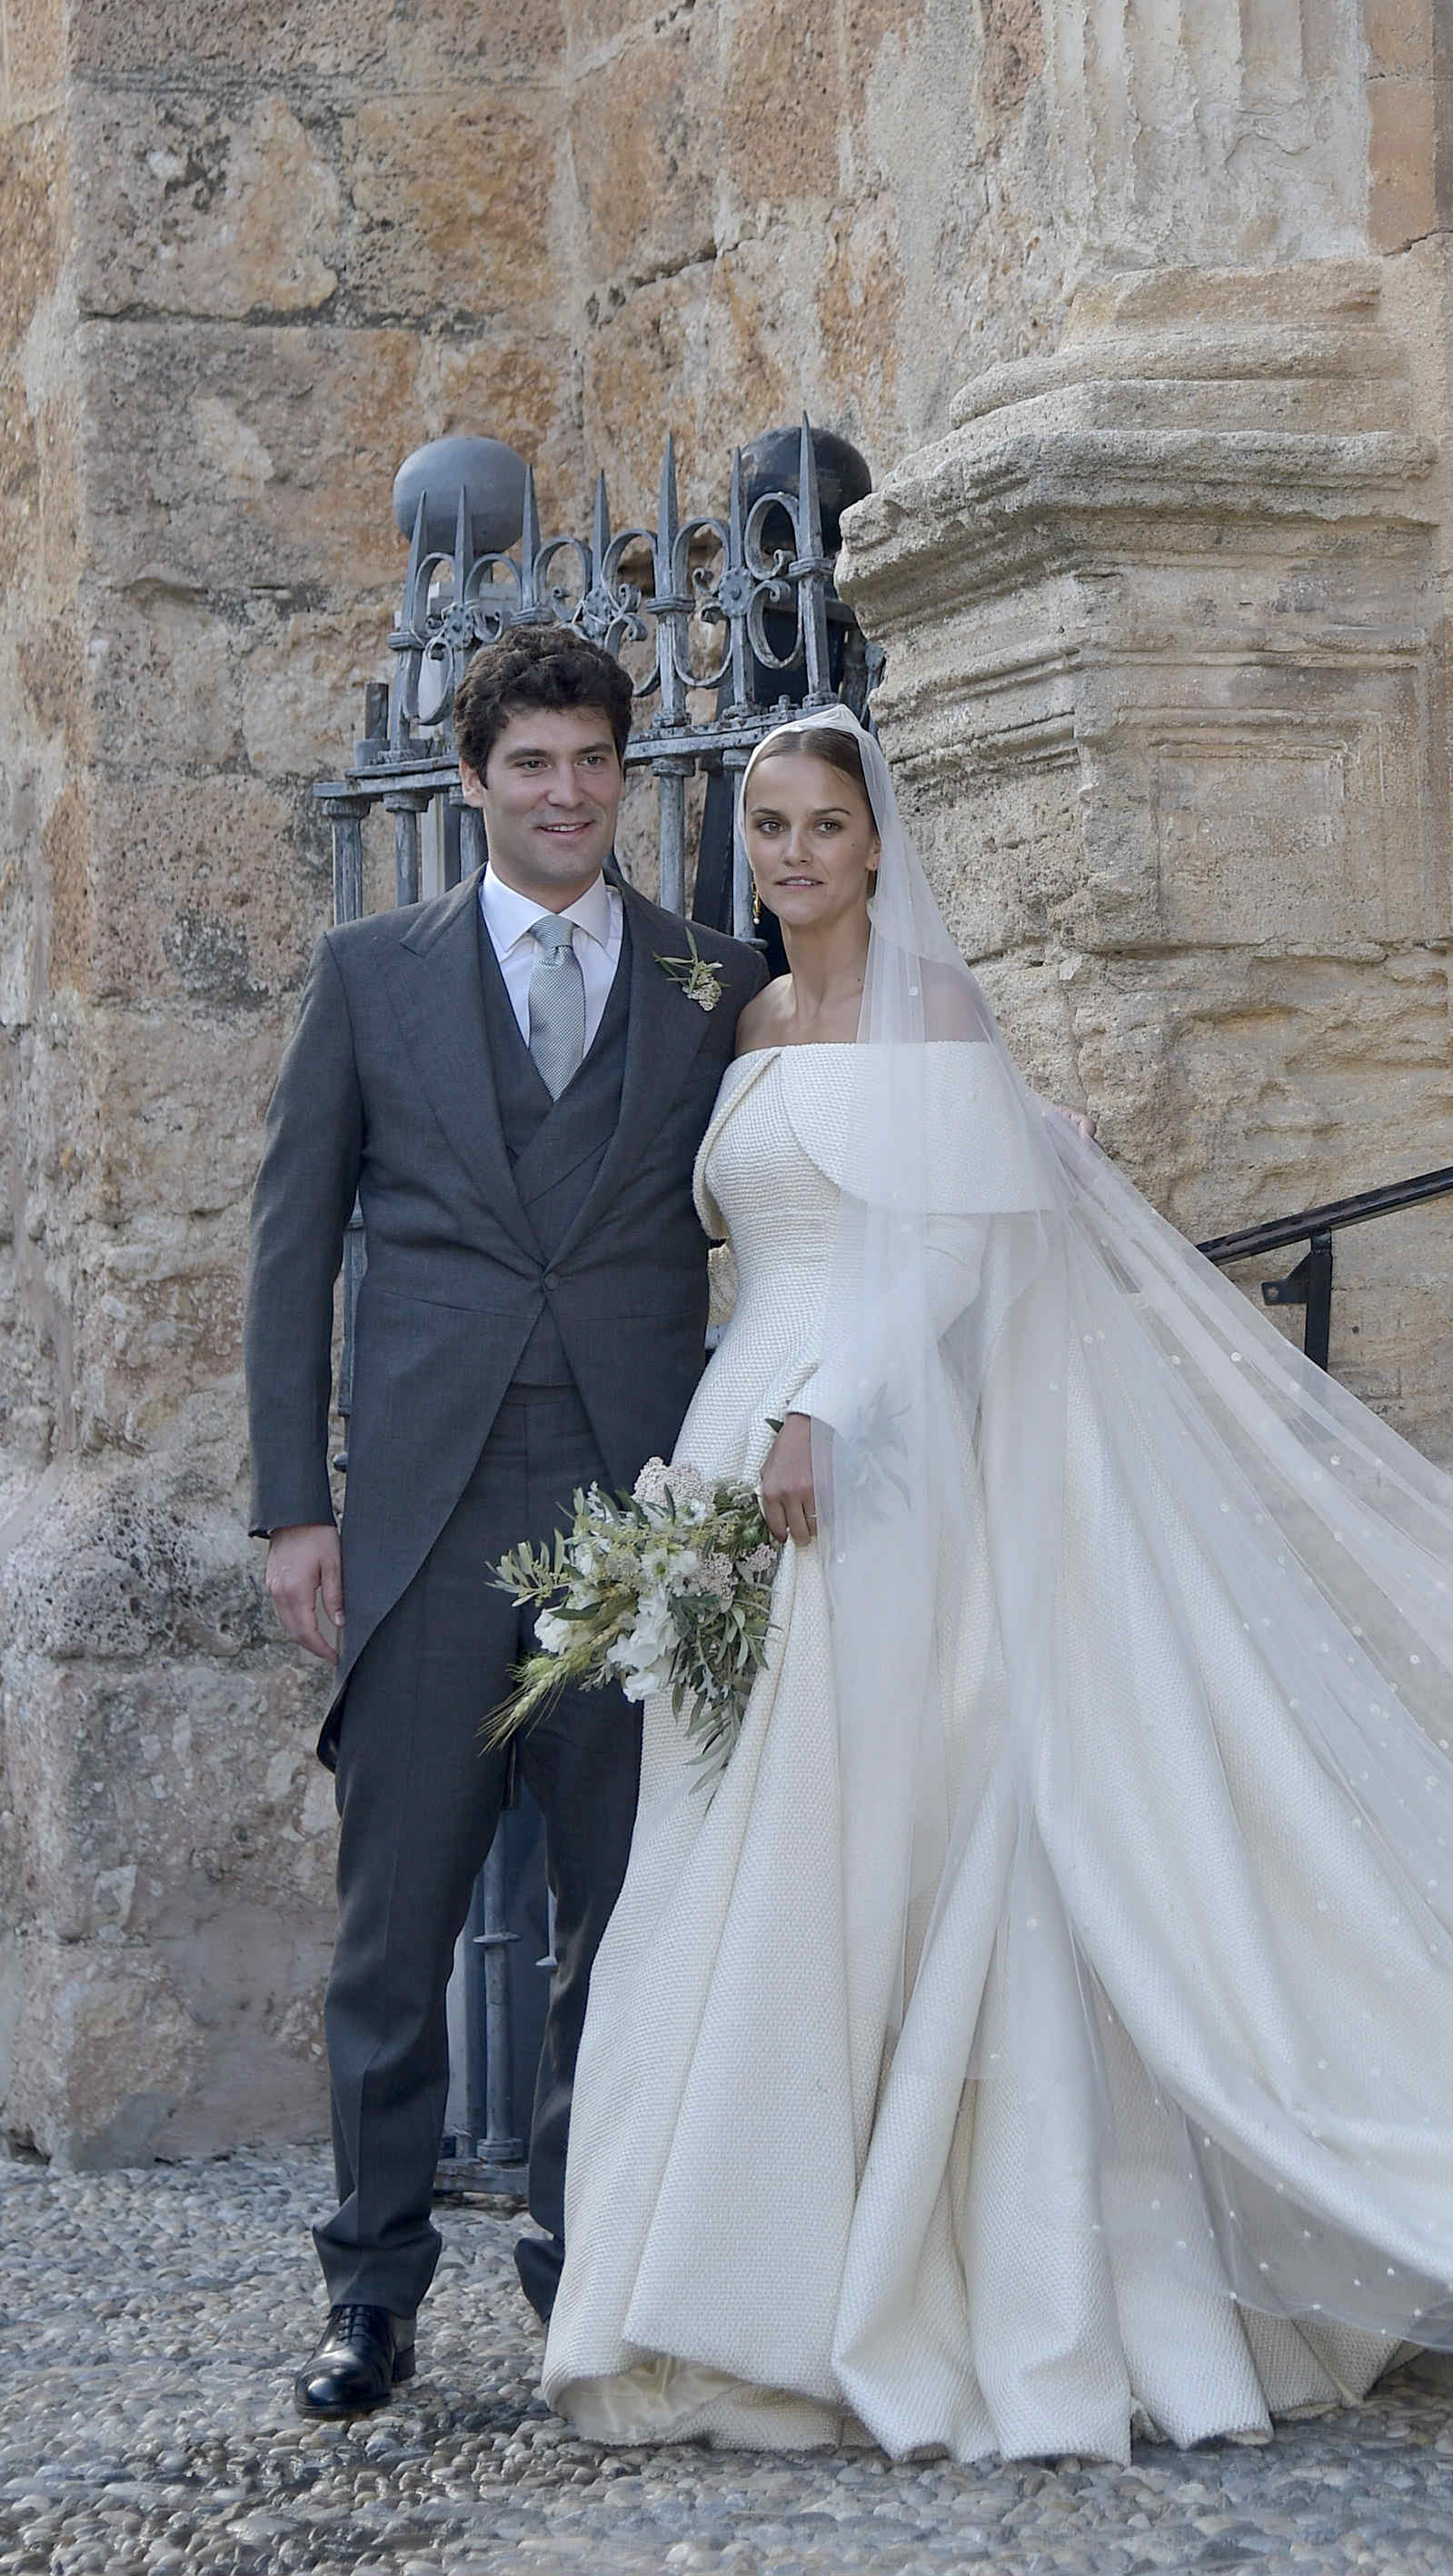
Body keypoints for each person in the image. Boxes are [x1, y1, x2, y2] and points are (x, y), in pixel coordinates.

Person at [540, 707, 1453, 2461]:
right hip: (731, 1454)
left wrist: (828, 1409)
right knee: (727, 1847)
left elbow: (946, 1251)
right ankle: (708, 2285)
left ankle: (893, 2281)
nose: (792, 855)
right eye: (769, 827)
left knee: (871, 1845)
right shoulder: (756, 1023)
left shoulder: (935, 1011)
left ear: (880, 848)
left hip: (856, 1459)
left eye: (825, 827)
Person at [244, 628, 768, 2420]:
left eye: (593, 762)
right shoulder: (372, 976)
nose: (565, 793)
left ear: (628, 775)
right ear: (470, 780)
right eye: (530, 763)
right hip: (427, 1511)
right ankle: (372, 2288)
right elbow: (291, 1250)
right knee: (393, 1929)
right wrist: (292, 1509)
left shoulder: (714, 975)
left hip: (637, 1504)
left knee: (617, 1922)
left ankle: (580, 2259)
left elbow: (831, 1125)